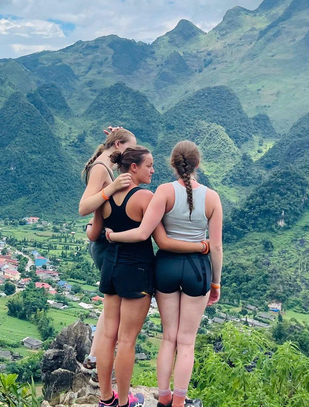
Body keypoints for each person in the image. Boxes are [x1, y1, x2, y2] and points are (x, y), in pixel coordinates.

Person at [105, 141, 223, 407]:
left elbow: (147, 234)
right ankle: (179, 402)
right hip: (198, 269)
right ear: (197, 164)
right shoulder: (212, 197)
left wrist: (112, 236)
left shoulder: (164, 192)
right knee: (187, 341)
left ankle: (164, 397)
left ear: (172, 163)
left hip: (166, 267)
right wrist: (215, 283)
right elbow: (215, 246)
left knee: (168, 337)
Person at [79, 128, 138, 373]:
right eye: (129, 148)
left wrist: (117, 135)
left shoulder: (104, 164)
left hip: (102, 240)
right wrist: (111, 189)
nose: (132, 155)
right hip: (105, 244)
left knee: (110, 305)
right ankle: (100, 363)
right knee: (115, 306)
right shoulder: (101, 169)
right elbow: (84, 207)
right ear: (117, 144)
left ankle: (94, 359)